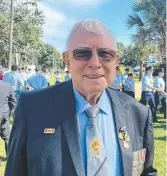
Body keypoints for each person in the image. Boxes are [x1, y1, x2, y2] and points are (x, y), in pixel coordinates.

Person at [5, 19, 157, 176]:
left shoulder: (138, 114)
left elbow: (147, 172)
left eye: (105, 54)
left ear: (116, 61)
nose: (95, 63)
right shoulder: (32, 108)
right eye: (82, 53)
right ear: (67, 60)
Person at [0, 80, 16, 159]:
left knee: (7, 136)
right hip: (4, 113)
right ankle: (9, 156)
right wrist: (8, 111)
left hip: (4, 111)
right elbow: (13, 101)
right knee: (6, 136)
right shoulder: (7, 85)